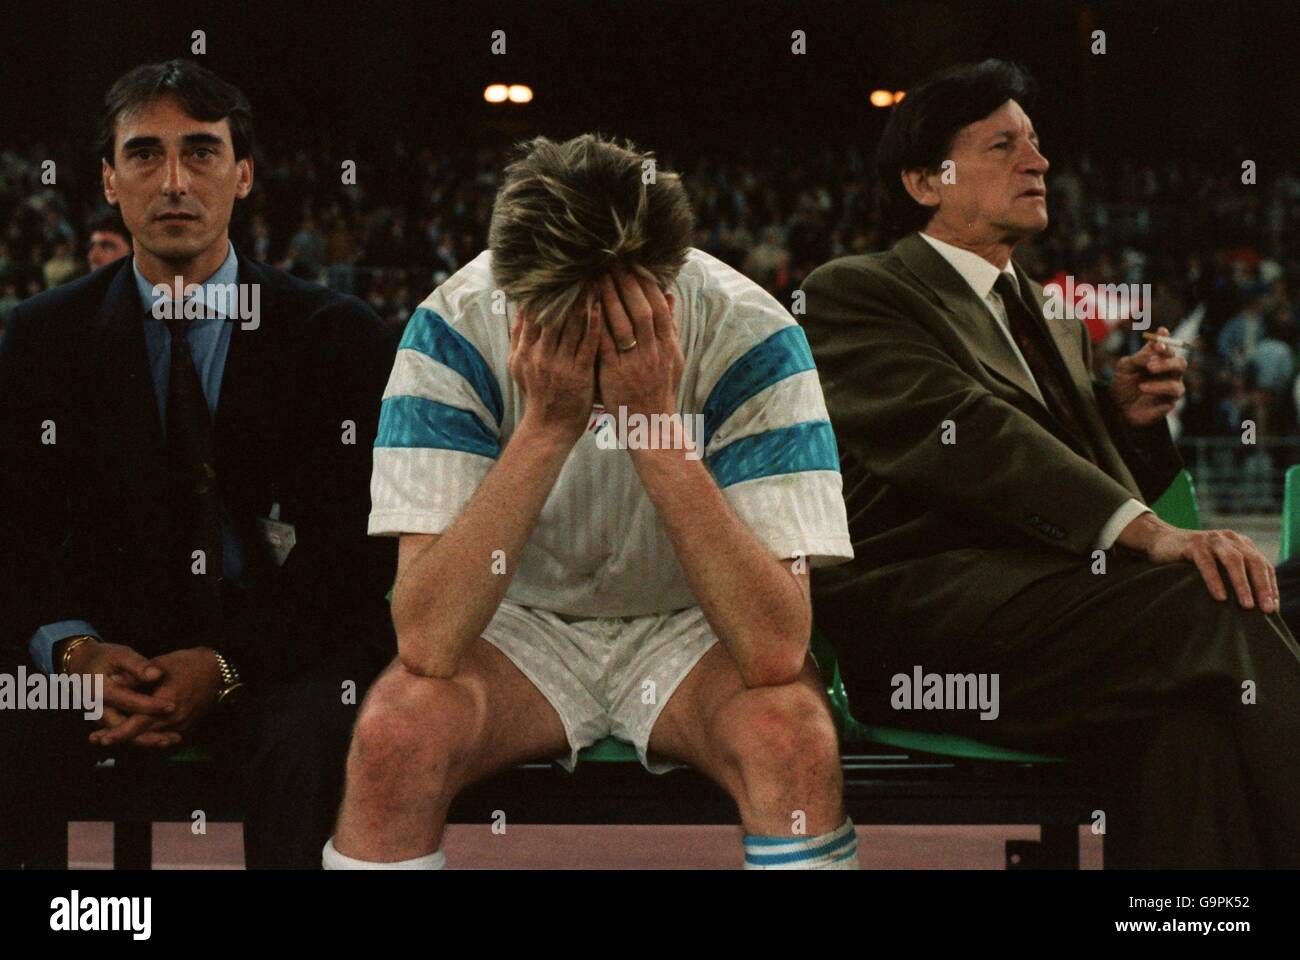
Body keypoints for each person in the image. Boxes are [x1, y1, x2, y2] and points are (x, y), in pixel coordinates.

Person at [801, 59, 1300, 868]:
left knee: (1195, 717)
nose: (1038, 162)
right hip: (925, 620)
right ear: (927, 180)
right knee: (1213, 602)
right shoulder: (857, 291)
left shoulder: (1052, 320)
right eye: (1003, 146)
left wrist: (1124, 419)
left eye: (1035, 143)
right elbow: (971, 435)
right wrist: (1152, 536)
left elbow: (1071, 475)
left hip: (1060, 609)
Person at [324, 133, 857, 870]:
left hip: (693, 627)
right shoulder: (450, 330)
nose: (595, 340)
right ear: (513, 294)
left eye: (622, 314)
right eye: (564, 319)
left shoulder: (755, 335)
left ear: (669, 287)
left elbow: (773, 647)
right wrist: (545, 428)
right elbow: (429, 638)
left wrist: (653, 426)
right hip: (516, 625)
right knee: (393, 735)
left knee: (792, 736)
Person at [0, 59, 397, 869]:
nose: (174, 180)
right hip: (104, 654)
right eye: (145, 154)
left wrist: (224, 667)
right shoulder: (43, 336)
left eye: (203, 152)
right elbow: (16, 532)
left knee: (317, 738)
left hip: (279, 657)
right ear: (109, 180)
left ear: (244, 174)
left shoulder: (335, 336)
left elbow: (351, 561)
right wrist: (72, 654)